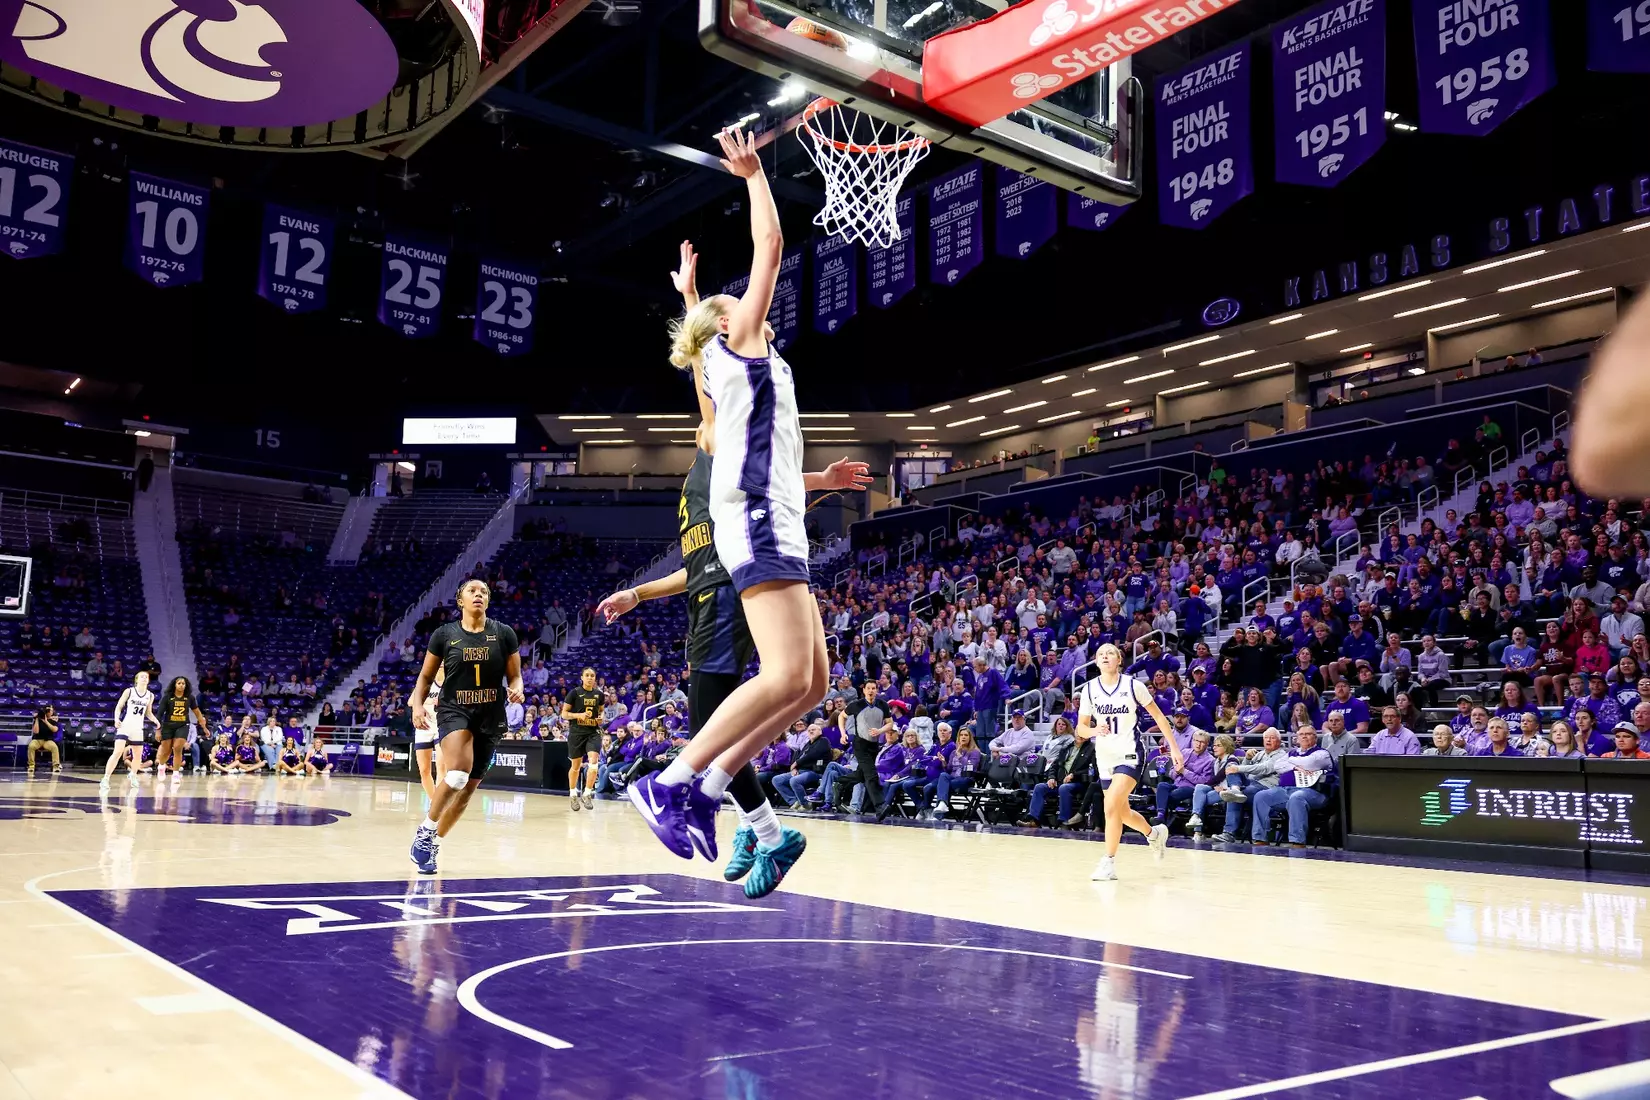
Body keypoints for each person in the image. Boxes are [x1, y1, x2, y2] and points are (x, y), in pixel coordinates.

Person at [596, 238, 869, 890]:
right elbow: (706, 367)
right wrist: (639, 595)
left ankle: (729, 808)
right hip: (715, 583)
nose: (703, 413)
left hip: (738, 579)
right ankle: (754, 820)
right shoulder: (702, 473)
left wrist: (693, 303)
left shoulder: (722, 438)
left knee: (729, 704)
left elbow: (707, 371)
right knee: (764, 696)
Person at [407, 579, 525, 875]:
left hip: (491, 714)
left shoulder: (503, 633)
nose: (478, 595)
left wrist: (517, 689)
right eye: (472, 591)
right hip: (453, 710)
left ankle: (433, 841)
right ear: (460, 600)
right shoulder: (444, 634)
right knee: (458, 773)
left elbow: (515, 676)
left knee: (467, 791)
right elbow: (424, 676)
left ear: (488, 600)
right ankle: (425, 830)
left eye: (484, 592)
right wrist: (418, 705)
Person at [1079, 643, 1183, 882]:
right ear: (1096, 662)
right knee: (1122, 812)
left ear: (1119, 661)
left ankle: (1109, 862)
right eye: (1101, 654)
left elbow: (1159, 715)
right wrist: (1094, 730)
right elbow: (1081, 728)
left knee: (1110, 805)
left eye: (1110, 653)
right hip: (1104, 756)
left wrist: (1174, 749)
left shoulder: (1133, 686)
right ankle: (1154, 833)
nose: (1105, 656)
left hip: (1130, 752)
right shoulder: (1089, 690)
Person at [1249, 727, 1335, 848]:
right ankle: (1260, 838)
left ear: (1315, 737)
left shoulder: (1322, 753)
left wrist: (1290, 762)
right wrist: (1295, 767)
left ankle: (1297, 841)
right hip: (1286, 790)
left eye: (1308, 734)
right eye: (1301, 734)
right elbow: (1277, 766)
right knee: (1261, 796)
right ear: (1297, 738)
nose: (1304, 736)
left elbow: (1309, 763)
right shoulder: (1292, 752)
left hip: (1315, 792)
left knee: (1296, 797)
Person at [102, 670, 159, 793]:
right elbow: (119, 706)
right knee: (117, 752)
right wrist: (116, 719)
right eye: (142, 676)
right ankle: (105, 778)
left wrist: (156, 721)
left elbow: (148, 712)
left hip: (138, 727)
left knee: (137, 755)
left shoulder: (150, 695)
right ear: (137, 679)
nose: (144, 678)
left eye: (146, 677)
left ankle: (133, 775)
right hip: (125, 725)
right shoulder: (129, 691)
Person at [561, 667, 605, 810]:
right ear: (582, 678)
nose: (590, 678)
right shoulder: (574, 693)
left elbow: (602, 712)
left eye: (592, 675)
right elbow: (564, 714)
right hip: (576, 733)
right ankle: (573, 794)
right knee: (576, 766)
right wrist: (578, 715)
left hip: (593, 732)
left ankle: (587, 793)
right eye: (587, 675)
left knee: (593, 762)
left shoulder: (600, 695)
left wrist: (601, 719)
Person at [156, 677, 205, 779]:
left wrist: (204, 728)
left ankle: (176, 774)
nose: (181, 685)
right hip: (168, 726)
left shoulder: (190, 698)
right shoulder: (167, 697)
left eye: (183, 683)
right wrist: (158, 730)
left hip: (183, 725)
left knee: (178, 748)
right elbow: (159, 715)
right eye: (179, 683)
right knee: (166, 751)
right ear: (175, 684)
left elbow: (197, 713)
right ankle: (161, 766)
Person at [27, 704, 59, 776]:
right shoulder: (37, 719)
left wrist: (46, 721)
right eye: (47, 710)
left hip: (48, 740)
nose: (49, 712)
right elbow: (36, 732)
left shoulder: (53, 720)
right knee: (31, 746)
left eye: (50, 710)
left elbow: (55, 730)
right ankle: (31, 765)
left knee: (54, 747)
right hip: (37, 740)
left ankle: (56, 766)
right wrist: (37, 719)